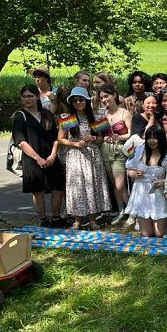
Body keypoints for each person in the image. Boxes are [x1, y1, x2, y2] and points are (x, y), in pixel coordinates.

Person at [57, 87, 111, 229]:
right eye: (74, 101)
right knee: (77, 186)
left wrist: (94, 138)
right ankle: (77, 220)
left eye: (81, 99)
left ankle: (93, 219)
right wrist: (75, 143)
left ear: (87, 100)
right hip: (75, 155)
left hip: (92, 155)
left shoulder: (97, 115)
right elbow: (60, 139)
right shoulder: (67, 118)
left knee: (92, 184)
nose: (78, 103)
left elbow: (101, 139)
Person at [13, 85, 66, 226]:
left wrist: (53, 155)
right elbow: (21, 141)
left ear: (37, 97)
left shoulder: (47, 115)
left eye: (30, 96)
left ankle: (56, 218)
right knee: (38, 191)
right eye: (24, 96)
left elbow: (56, 138)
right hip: (32, 159)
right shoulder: (20, 116)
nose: (27, 99)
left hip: (51, 157)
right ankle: (43, 219)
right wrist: (38, 159)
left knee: (58, 188)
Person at [97, 86, 133, 225]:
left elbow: (131, 133)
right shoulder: (103, 114)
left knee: (120, 185)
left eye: (106, 96)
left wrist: (120, 137)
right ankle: (121, 210)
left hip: (119, 151)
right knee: (113, 183)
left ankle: (132, 211)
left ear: (114, 95)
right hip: (105, 150)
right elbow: (99, 133)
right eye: (101, 98)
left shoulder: (125, 113)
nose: (104, 100)